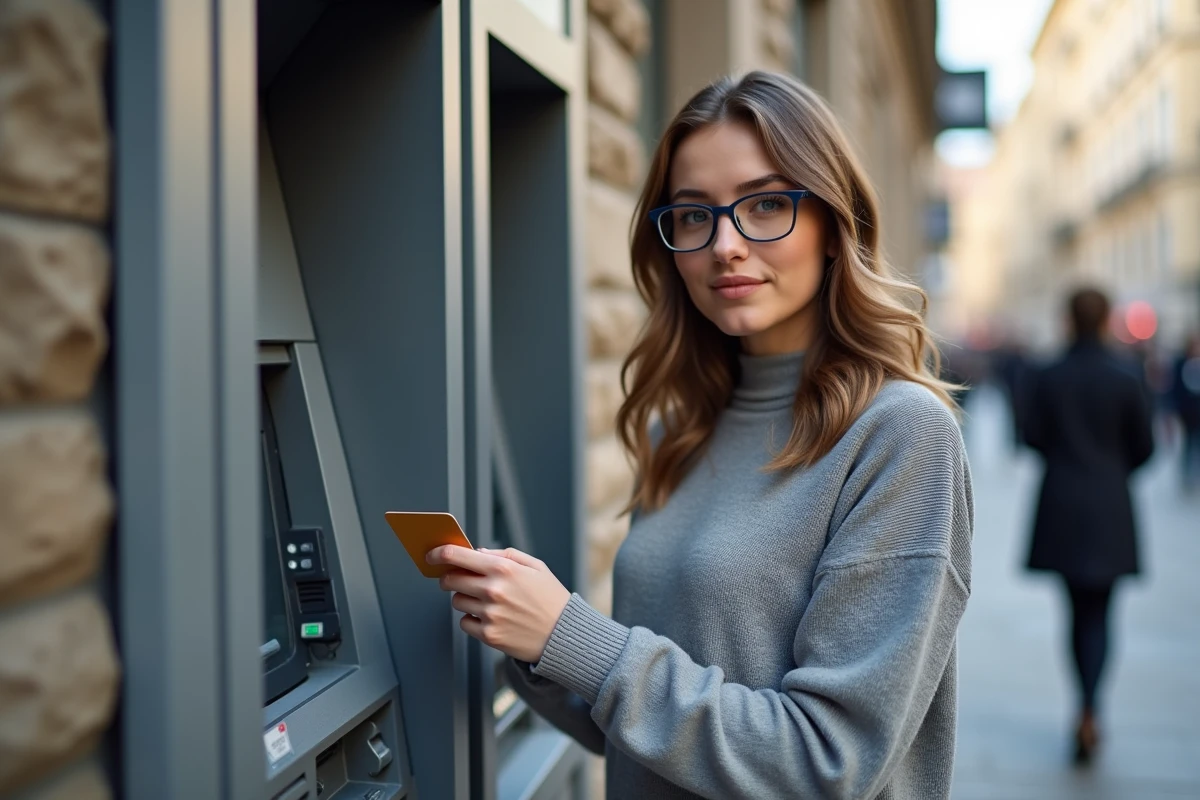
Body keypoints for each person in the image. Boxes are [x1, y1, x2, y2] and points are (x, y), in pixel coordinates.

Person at [428, 71, 973, 799]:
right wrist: (531, 639)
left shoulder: (900, 435)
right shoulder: (683, 429)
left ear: (835, 226)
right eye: (692, 216)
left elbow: (828, 760)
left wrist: (574, 638)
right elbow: (640, 727)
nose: (725, 245)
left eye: (768, 204)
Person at [1023, 287, 1155, 765]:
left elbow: (1030, 435)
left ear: (1067, 320)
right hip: (1110, 507)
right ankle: (1091, 707)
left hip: (1061, 502)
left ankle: (1083, 707)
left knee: (1075, 611)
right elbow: (1145, 448)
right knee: (1101, 612)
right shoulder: (1126, 376)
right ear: (1106, 321)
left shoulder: (1049, 375)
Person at [1170, 333, 1200, 491]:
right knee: (1188, 445)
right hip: (1187, 414)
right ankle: (1187, 477)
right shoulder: (1180, 363)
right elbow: (1174, 389)